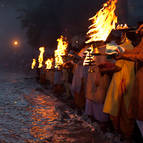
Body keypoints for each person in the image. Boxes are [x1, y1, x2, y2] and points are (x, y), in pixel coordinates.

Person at [103, 32, 135, 140]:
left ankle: (126, 135)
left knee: (124, 110)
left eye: (115, 38)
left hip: (126, 81)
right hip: (118, 80)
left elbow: (118, 67)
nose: (114, 40)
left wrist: (106, 69)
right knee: (115, 108)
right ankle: (119, 132)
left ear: (123, 35)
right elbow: (111, 62)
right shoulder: (114, 46)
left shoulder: (127, 47)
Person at [115, 24, 143, 137]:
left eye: (141, 28)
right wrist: (122, 53)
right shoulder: (140, 42)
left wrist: (123, 56)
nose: (138, 30)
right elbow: (136, 51)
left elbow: (140, 56)